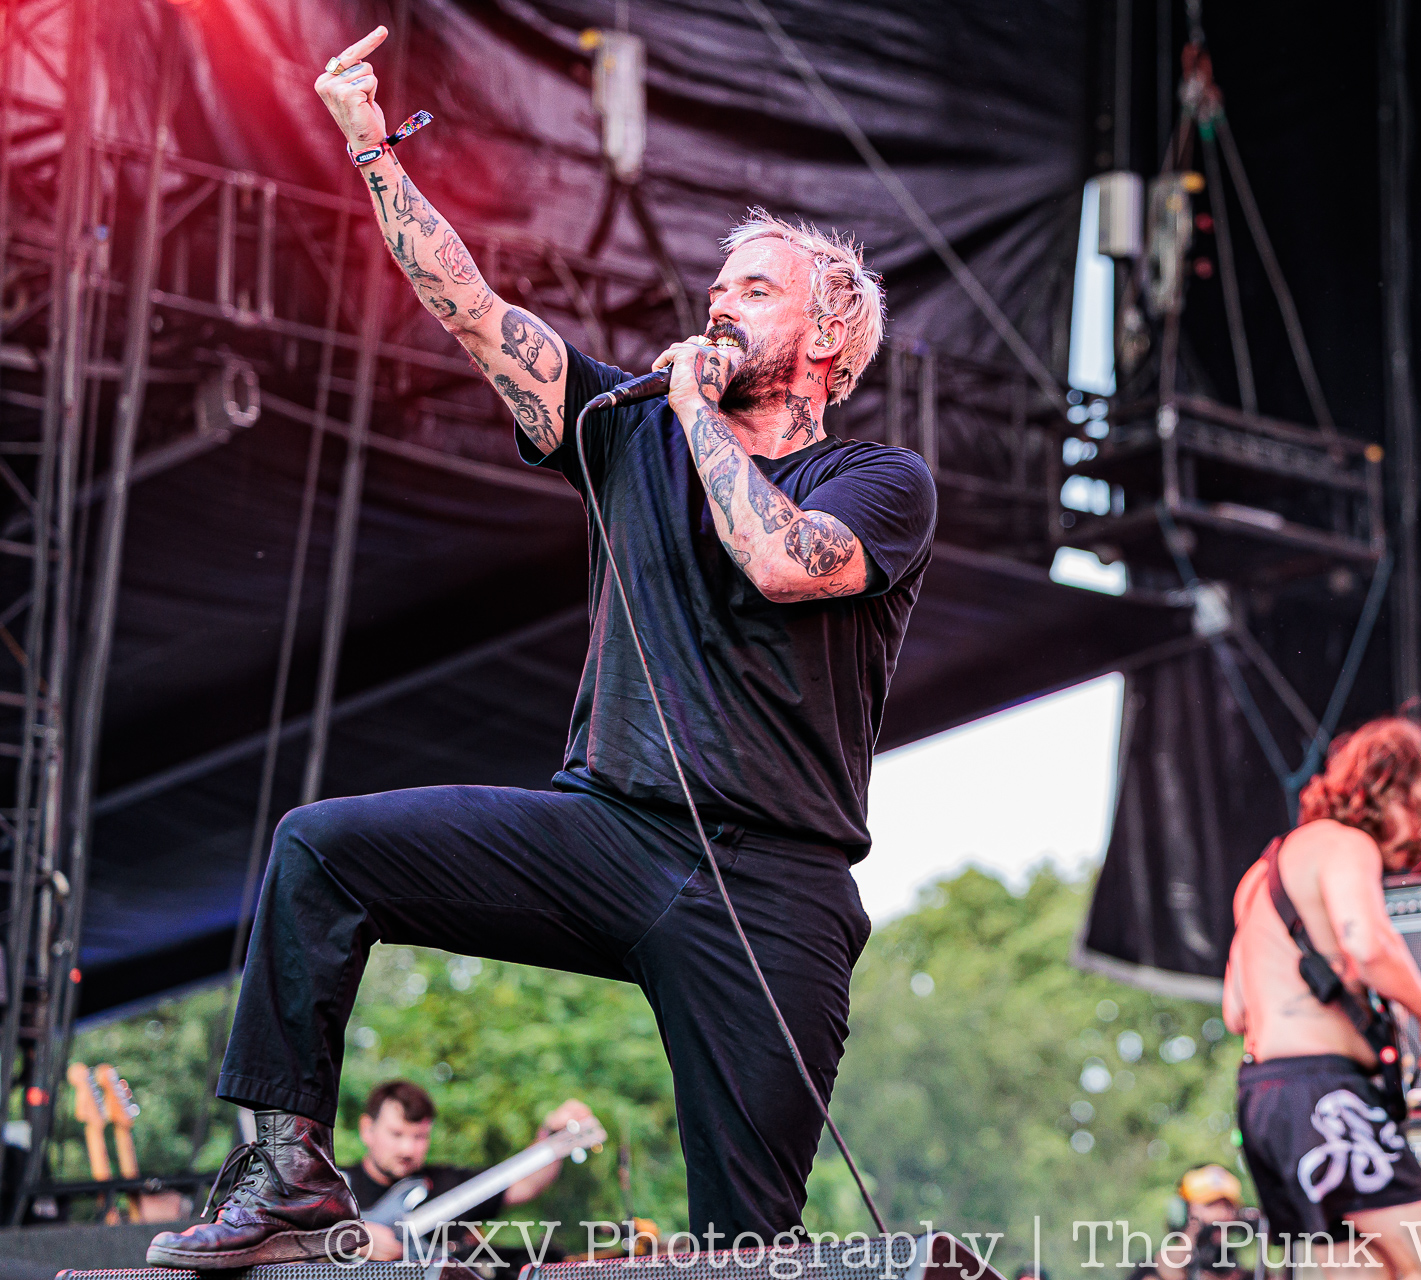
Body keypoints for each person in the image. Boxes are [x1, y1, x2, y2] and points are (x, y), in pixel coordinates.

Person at [148, 21, 935, 1272]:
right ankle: (289, 1172)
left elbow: (780, 559)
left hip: (775, 887)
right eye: (718, 286)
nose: (718, 304)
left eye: (754, 290)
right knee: (321, 850)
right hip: (606, 832)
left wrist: (695, 411)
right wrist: (371, 151)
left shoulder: (879, 481)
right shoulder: (628, 429)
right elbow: (471, 310)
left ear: (826, 339)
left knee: (745, 1246)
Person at [1224, 717, 1421, 1279]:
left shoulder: (1257, 879)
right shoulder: (1344, 843)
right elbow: (1367, 943)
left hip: (1264, 1101)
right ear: (1380, 788)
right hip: (1323, 1094)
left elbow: (1235, 1010)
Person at [344, 1081, 590, 1262]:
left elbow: (525, 1184)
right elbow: (315, 1242)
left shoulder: (450, 1184)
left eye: (419, 1137)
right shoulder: (334, 1186)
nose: (407, 1149)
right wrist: (345, 1239)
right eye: (396, 1134)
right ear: (367, 1129)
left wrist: (552, 1135)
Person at [1124, 1165, 1249, 1280]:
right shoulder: (1155, 1271)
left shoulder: (1236, 1273)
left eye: (1228, 1206)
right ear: (1183, 1211)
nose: (1222, 1214)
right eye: (1210, 1204)